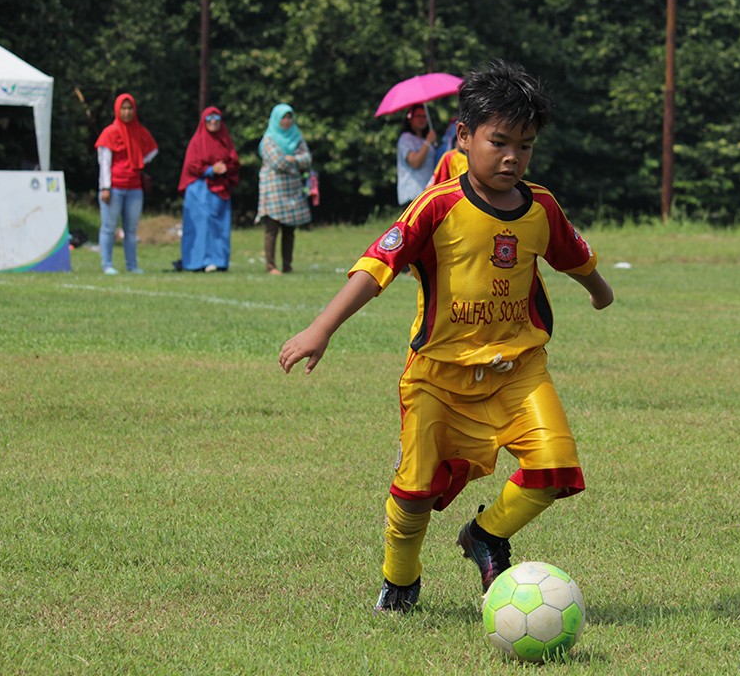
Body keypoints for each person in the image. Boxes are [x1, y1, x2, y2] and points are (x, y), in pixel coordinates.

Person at [279, 60, 614, 614]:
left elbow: (573, 256)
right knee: (413, 494)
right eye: (499, 142)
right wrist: (321, 328)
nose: (512, 157)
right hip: (439, 376)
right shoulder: (437, 206)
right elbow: (375, 267)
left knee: (556, 467)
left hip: (518, 370)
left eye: (525, 146)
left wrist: (599, 290)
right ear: (464, 137)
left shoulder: (541, 206)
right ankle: (400, 579)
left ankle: (486, 534)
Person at [95, 93, 158, 275]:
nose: (127, 112)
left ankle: (132, 265)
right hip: (114, 186)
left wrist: (139, 161)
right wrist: (105, 187)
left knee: (130, 229)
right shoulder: (110, 132)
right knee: (109, 227)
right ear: (117, 110)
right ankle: (107, 264)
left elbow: (152, 150)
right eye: (123, 108)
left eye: (130, 108)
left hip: (134, 187)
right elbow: (104, 162)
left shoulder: (139, 131)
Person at [175, 107, 240, 272]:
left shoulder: (225, 140)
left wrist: (224, 167)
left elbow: (234, 161)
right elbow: (192, 164)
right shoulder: (197, 141)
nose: (213, 122)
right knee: (200, 226)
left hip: (220, 190)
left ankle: (218, 261)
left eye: (216, 118)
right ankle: (196, 261)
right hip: (199, 190)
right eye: (209, 118)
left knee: (220, 227)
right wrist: (211, 170)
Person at [257, 103, 312, 275]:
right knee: (272, 228)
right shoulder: (269, 139)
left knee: (290, 229)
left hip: (292, 189)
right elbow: (277, 162)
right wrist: (295, 161)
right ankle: (271, 266)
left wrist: (293, 160)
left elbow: (307, 158)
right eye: (284, 117)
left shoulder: (296, 136)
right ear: (276, 119)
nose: (287, 121)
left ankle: (287, 265)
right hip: (273, 188)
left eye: (289, 117)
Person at [396, 105, 438, 206]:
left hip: (427, 194)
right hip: (412, 196)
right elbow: (415, 162)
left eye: (424, 116)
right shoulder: (405, 139)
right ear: (410, 119)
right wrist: (428, 142)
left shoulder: (425, 140)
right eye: (418, 116)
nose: (422, 119)